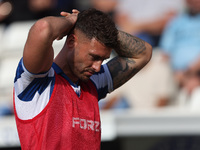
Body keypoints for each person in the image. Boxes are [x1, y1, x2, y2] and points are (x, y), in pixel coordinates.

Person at [13, 8, 152, 149]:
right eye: (94, 57)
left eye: (103, 60)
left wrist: (97, 27)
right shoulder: (38, 82)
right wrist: (72, 21)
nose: (98, 67)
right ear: (72, 42)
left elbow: (144, 53)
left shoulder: (93, 83)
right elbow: (43, 28)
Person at [159, 0, 200, 107]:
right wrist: (178, 74)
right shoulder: (176, 22)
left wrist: (190, 72)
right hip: (176, 75)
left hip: (195, 73)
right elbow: (165, 53)